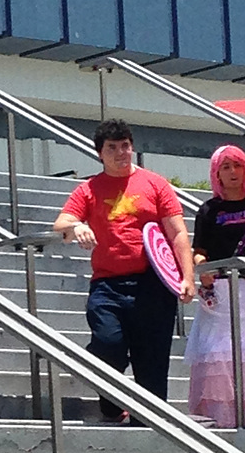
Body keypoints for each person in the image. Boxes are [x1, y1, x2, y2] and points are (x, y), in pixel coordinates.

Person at [53, 119, 194, 424]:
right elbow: (61, 224)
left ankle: (150, 426)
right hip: (108, 285)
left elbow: (177, 232)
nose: (121, 153)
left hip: (154, 285)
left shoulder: (155, 183)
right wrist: (78, 226)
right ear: (100, 154)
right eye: (112, 148)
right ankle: (111, 405)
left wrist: (187, 276)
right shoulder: (88, 188)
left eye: (125, 146)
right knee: (107, 344)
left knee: (152, 364)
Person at [185, 145, 245, 427]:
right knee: (219, 359)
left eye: (238, 165)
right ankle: (223, 422)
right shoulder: (209, 210)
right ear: (217, 173)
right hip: (220, 296)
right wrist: (202, 268)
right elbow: (200, 250)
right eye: (226, 167)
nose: (233, 172)